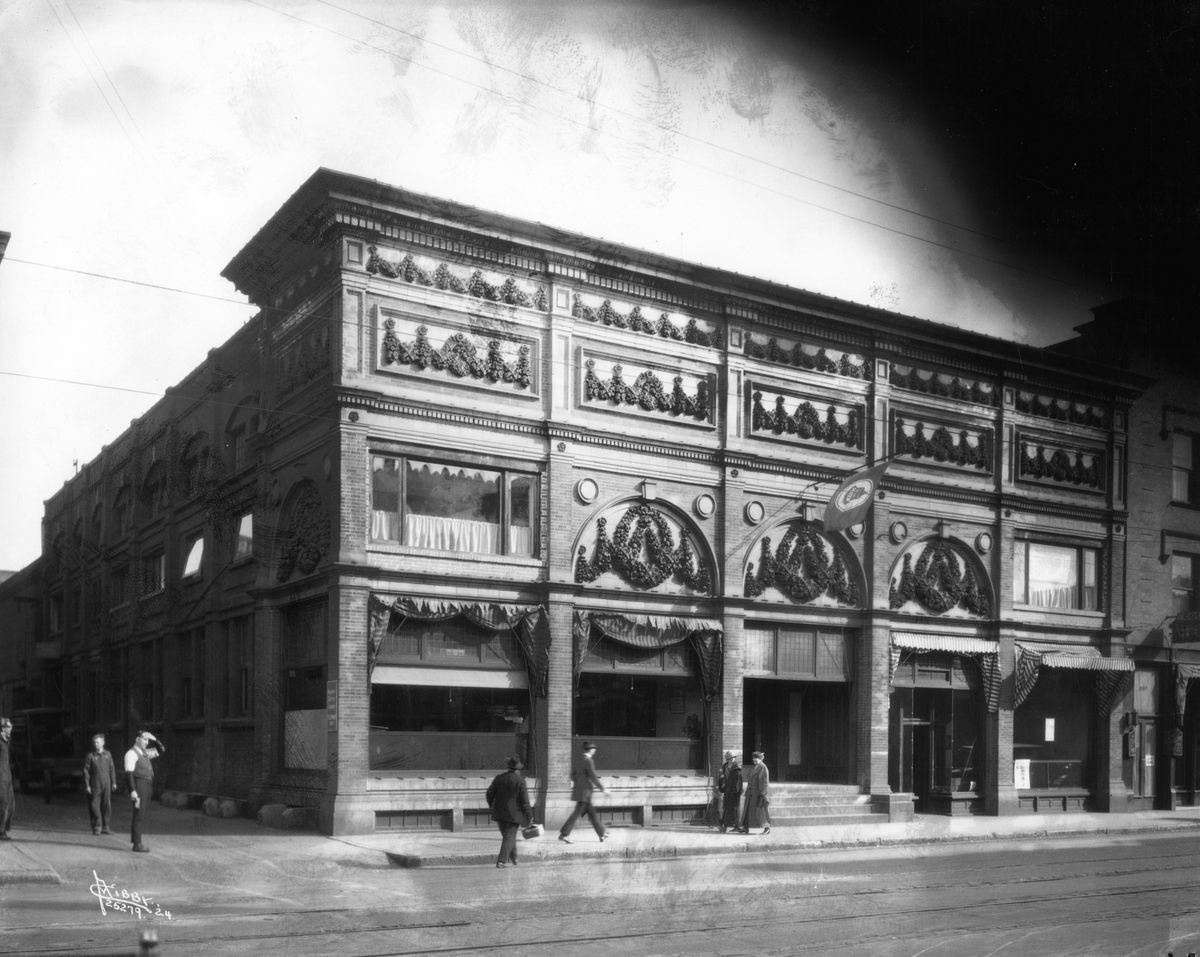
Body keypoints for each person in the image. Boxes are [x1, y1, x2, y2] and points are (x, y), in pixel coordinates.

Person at [485, 755, 533, 868]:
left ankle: (514, 857)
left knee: (508, 836)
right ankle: (501, 861)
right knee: (509, 836)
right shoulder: (520, 781)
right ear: (518, 769)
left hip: (499, 813)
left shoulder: (499, 778)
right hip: (514, 814)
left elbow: (489, 794)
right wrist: (530, 815)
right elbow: (525, 801)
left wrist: (492, 805)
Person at [558, 740, 606, 844]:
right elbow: (593, 777)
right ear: (591, 750)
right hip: (586, 793)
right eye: (594, 749)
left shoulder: (578, 760)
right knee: (577, 814)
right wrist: (603, 789)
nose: (595, 751)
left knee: (592, 813)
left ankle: (601, 833)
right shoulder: (589, 761)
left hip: (580, 791)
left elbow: (572, 775)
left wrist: (579, 783)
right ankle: (564, 834)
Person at [124, 730, 164, 853]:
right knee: (138, 814)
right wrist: (133, 791)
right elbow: (129, 773)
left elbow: (161, 749)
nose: (146, 742)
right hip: (139, 785)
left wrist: (154, 738)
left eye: (147, 740)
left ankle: (136, 841)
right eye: (144, 739)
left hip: (146, 785)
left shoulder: (145, 753)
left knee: (141, 814)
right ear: (137, 739)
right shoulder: (131, 754)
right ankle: (137, 844)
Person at [83, 733, 117, 835]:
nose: (96, 744)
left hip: (106, 783)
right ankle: (97, 827)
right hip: (95, 784)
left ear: (103, 743)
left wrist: (114, 782)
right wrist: (87, 785)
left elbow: (112, 769)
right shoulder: (90, 756)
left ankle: (106, 827)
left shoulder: (108, 755)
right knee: (94, 805)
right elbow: (86, 771)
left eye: (98, 742)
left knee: (106, 805)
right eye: (94, 743)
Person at [738, 750, 771, 835]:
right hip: (750, 794)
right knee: (747, 811)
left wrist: (763, 794)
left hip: (758, 794)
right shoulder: (754, 767)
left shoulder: (763, 768)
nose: (754, 760)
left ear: (761, 759)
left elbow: (764, 782)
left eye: (756, 759)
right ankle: (746, 828)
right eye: (754, 759)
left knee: (762, 812)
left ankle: (767, 828)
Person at [717, 750, 743, 834]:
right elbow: (721, 778)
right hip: (727, 791)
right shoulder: (724, 767)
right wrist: (721, 788)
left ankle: (737, 826)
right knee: (726, 809)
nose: (730, 760)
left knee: (735, 809)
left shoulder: (737, 768)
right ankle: (725, 826)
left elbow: (738, 781)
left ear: (734, 758)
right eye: (728, 759)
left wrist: (735, 791)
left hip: (735, 792)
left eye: (731, 758)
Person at [0, 717, 13, 841]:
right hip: (1, 777)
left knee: (9, 803)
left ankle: (3, 829)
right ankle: (1, 831)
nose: (11, 729)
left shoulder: (6, 741)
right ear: (3, 729)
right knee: (3, 803)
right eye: (9, 727)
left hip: (7, 776)